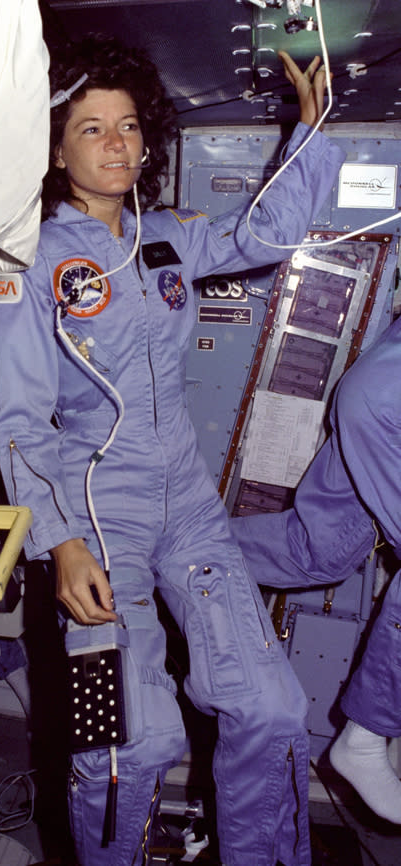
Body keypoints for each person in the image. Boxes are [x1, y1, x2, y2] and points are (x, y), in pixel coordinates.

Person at [0, 33, 345, 866]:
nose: (116, 144)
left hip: (186, 506)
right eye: (90, 129)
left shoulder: (169, 238)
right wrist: (60, 540)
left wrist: (311, 129)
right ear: (55, 147)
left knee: (270, 708)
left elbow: (262, 236)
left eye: (126, 127)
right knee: (127, 746)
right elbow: (19, 417)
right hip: (96, 514)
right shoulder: (33, 263)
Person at [231, 313, 401, 825]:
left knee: (319, 548)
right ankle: (366, 739)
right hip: (390, 404)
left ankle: (162, 546)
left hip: (381, 382)